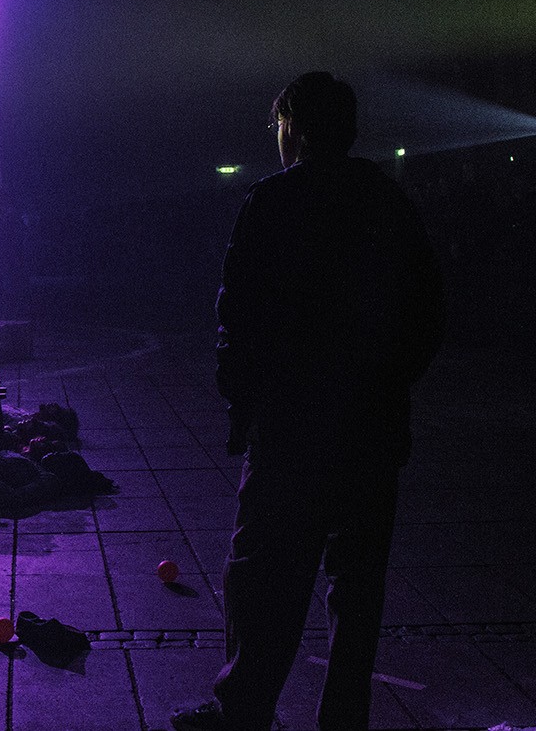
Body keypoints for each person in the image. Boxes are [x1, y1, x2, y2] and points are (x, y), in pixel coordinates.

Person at [173, 73, 443, 731]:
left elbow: (237, 315)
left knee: (264, 576)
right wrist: (389, 386)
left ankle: (246, 708)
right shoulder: (388, 201)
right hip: (371, 424)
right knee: (356, 585)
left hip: (292, 424)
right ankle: (342, 720)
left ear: (293, 124)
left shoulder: (274, 201)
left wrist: (244, 401)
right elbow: (425, 313)